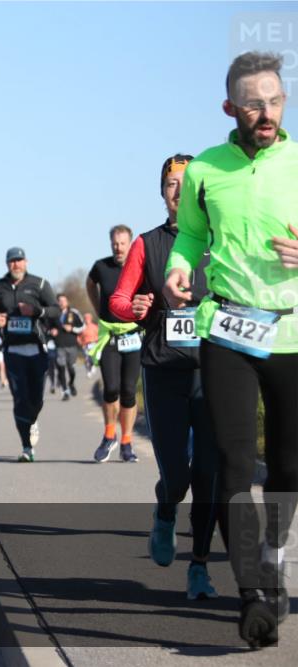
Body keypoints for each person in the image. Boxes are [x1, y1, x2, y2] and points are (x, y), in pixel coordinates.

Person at [164, 51, 298, 648]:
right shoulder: (205, 170)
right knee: (233, 461)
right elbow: (191, 234)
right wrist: (176, 266)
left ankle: (272, 554)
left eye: (273, 100)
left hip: (293, 331)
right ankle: (253, 593)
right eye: (253, 103)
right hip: (228, 328)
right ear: (230, 108)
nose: (265, 112)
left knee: (290, 467)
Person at [111, 153, 220, 601]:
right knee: (177, 474)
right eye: (172, 183)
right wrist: (134, 307)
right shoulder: (147, 244)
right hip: (163, 369)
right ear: (162, 192)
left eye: (188, 182)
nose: (180, 189)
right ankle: (165, 507)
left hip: (215, 368)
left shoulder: (220, 238)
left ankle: (199, 567)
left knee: (210, 473)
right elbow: (119, 299)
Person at [0, 247, 61, 462]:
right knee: (19, 399)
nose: (15, 265)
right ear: (7, 264)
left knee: (36, 399)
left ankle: (32, 420)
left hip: (36, 348)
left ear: (26, 262)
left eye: (19, 260)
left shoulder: (39, 284)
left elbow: (56, 310)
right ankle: (26, 447)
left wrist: (36, 311)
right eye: (11, 261)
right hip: (12, 350)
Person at [87, 225, 141, 463]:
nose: (118, 248)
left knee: (129, 391)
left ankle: (127, 443)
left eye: (122, 243)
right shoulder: (101, 267)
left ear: (130, 243)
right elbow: (90, 285)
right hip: (109, 335)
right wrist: (99, 309)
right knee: (110, 388)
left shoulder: (140, 266)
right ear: (111, 244)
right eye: (115, 243)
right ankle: (109, 436)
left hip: (133, 335)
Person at [53, 294, 85, 401]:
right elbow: (45, 326)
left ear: (67, 302)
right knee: (61, 368)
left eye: (63, 300)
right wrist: (51, 331)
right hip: (59, 345)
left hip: (71, 344)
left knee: (71, 368)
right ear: (57, 302)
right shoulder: (53, 313)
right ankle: (65, 392)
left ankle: (71, 383)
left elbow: (83, 326)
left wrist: (72, 329)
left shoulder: (74, 313)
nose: (61, 302)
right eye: (60, 301)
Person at [78, 312, 99, 377]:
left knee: (93, 357)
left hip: (94, 344)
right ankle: (88, 370)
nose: (87, 319)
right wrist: (81, 343)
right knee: (87, 358)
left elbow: (99, 335)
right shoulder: (83, 328)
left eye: (88, 318)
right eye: (86, 318)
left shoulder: (95, 326)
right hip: (85, 345)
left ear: (91, 319)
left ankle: (94, 365)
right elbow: (79, 337)